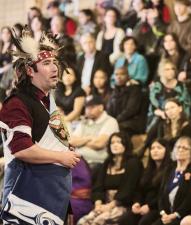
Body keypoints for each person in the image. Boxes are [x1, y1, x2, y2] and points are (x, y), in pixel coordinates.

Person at [0, 28, 80, 225]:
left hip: (52, 197)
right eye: (46, 63)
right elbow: (21, 149)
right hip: (25, 200)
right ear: (29, 70)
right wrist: (62, 156)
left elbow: (53, 145)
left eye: (54, 62)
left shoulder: (47, 102)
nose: (54, 68)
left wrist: (65, 203)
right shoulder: (17, 103)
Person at [77, 131, 143, 225]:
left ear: (126, 144)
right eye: (112, 142)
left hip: (123, 205)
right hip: (104, 205)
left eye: (119, 142)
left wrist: (110, 206)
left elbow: (128, 189)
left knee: (98, 222)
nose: (115, 145)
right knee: (82, 222)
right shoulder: (107, 163)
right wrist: (98, 204)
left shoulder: (133, 163)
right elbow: (98, 186)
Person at [151, 136, 191, 225]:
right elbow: (161, 195)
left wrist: (175, 215)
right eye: (178, 147)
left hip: (184, 215)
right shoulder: (169, 169)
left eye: (185, 148)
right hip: (166, 216)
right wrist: (163, 213)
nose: (180, 150)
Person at [118, 138, 171, 225]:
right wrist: (137, 203)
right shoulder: (148, 170)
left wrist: (149, 206)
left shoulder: (170, 169)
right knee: (125, 219)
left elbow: (163, 194)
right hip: (143, 206)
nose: (155, 151)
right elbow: (139, 189)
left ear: (167, 151)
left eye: (159, 148)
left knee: (144, 222)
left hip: (159, 207)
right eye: (152, 148)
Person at [69, 95, 119, 171]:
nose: (88, 110)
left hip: (97, 162)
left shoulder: (110, 121)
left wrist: (80, 142)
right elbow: (72, 141)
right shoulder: (84, 121)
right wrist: (89, 138)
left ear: (101, 107)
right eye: (87, 107)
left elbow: (99, 144)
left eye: (92, 107)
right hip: (78, 159)